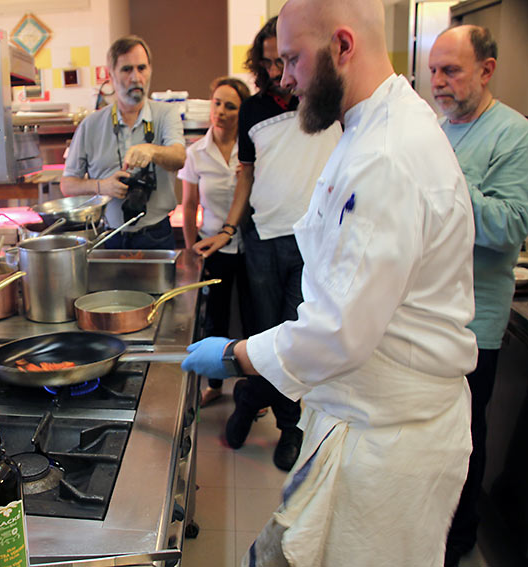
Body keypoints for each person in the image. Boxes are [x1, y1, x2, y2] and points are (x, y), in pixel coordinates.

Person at [181, 0, 477, 565]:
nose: (283, 77)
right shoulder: (367, 127)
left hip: (390, 440)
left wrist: (240, 353)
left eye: (292, 59)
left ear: (342, 47)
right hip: (357, 415)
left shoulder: (388, 155)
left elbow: (339, 332)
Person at [210, 17, 341, 470]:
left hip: (313, 241)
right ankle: (258, 403)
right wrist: (229, 229)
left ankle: (276, 418)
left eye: (282, 60)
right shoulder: (253, 110)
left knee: (295, 340)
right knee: (266, 333)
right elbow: (245, 176)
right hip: (262, 239)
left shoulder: (326, 103)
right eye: (265, 63)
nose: (274, 72)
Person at [429, 25, 528, 567]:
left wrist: (445, 179)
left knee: (464, 439)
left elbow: (509, 227)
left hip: (475, 323)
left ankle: (459, 537)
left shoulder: (514, 135)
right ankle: (433, 525)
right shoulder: (443, 129)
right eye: (435, 70)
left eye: (452, 71)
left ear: (486, 71)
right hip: (433, 315)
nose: (438, 82)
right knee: (436, 437)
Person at [61, 36, 186, 249]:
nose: (136, 77)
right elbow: (67, 185)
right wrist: (103, 186)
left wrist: (152, 151)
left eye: (142, 68)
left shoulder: (167, 114)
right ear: (111, 76)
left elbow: (179, 157)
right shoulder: (90, 125)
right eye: (127, 69)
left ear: (150, 70)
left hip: (157, 235)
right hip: (109, 236)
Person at [179, 77, 251, 407]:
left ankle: (255, 389)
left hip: (250, 244)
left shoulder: (251, 151)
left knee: (254, 317)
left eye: (230, 106)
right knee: (216, 318)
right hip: (212, 246)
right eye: (216, 103)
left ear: (242, 111)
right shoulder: (197, 152)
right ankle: (216, 384)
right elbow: (190, 204)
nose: (220, 112)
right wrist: (191, 246)